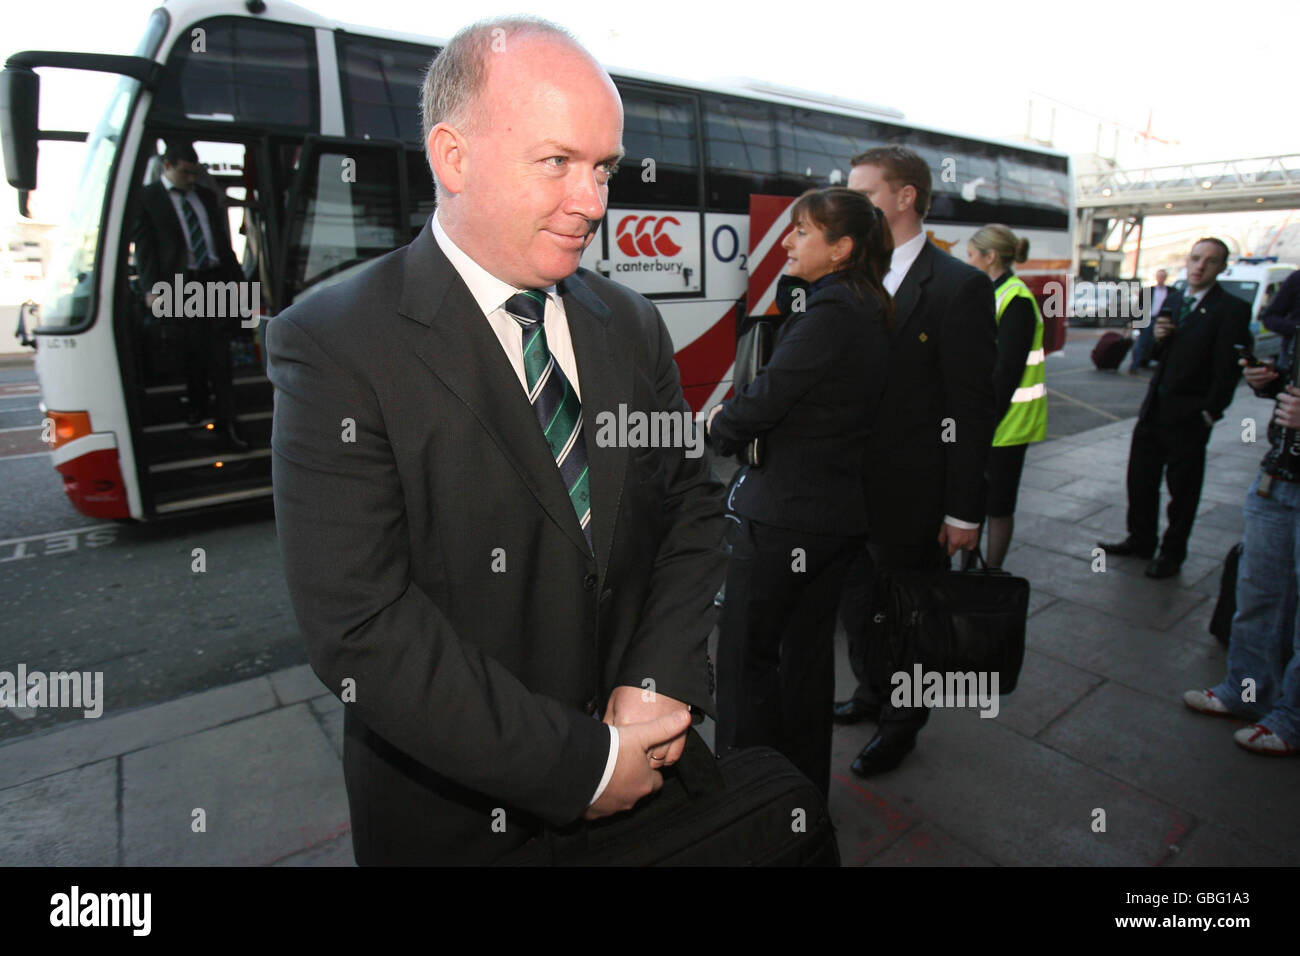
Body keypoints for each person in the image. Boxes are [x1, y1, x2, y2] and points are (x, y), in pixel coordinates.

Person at [266, 17, 728, 865]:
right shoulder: (333, 343)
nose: (592, 203)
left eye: (603, 169)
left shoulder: (631, 323)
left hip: (653, 791)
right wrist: (582, 766)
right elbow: (362, 626)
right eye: (557, 162)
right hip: (455, 826)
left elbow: (693, 507)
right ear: (453, 157)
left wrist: (653, 683)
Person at [707, 187, 892, 795]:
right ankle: (799, 795)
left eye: (802, 231)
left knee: (743, 661)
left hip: (785, 519)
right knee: (807, 665)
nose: (787, 241)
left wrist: (719, 427)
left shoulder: (829, 317)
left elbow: (762, 403)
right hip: (837, 519)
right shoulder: (869, 306)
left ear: (840, 248)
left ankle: (742, 795)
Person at [833, 146, 999, 776]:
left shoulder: (960, 287)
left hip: (914, 496)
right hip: (848, 490)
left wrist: (964, 508)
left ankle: (903, 723)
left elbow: (971, 406)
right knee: (859, 610)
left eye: (865, 193)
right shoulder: (851, 275)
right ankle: (872, 693)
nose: (852, 205)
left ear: (905, 198)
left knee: (908, 617)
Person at [1099, 238, 1252, 579]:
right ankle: (1140, 539)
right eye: (1196, 258)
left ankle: (1171, 553)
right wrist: (1160, 338)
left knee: (1182, 490)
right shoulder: (1177, 300)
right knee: (1140, 479)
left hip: (1189, 416)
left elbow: (1229, 368)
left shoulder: (1231, 309)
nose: (1200, 266)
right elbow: (1157, 356)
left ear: (1221, 268)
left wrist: (1211, 412)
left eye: (1210, 262)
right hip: (1155, 409)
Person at [1182, 346, 1300, 756]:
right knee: (1258, 593)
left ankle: (1292, 718)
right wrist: (1273, 381)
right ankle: (1247, 691)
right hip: (1279, 477)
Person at [133, 141, 247, 449]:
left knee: (220, 356)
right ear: (167, 167)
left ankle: (229, 420)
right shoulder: (148, 199)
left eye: (195, 173)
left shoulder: (206, 197)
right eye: (185, 172)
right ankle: (198, 404)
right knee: (192, 353)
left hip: (214, 281)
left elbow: (222, 244)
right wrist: (152, 290)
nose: (192, 179)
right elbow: (145, 249)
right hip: (179, 287)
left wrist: (239, 283)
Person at [965, 224, 1047, 568]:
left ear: (990, 257)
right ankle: (970, 567)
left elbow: (1007, 372)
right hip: (990, 418)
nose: (967, 262)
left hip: (1008, 422)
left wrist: (983, 422)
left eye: (971, 255)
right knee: (974, 500)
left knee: (998, 504)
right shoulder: (993, 292)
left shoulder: (1016, 300)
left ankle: (992, 571)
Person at [1129, 269, 1180, 374]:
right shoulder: (1149, 290)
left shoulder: (1172, 291)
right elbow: (1139, 306)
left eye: (1163, 276)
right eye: (1159, 276)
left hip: (1162, 320)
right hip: (1148, 319)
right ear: (1156, 277)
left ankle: (1154, 365)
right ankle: (1134, 366)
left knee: (1160, 344)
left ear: (1165, 278)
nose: (1161, 278)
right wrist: (1133, 321)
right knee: (1141, 343)